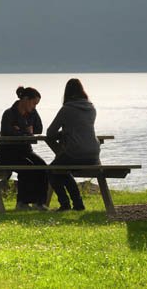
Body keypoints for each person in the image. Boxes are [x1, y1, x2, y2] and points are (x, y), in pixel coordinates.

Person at [46, 78, 100, 211]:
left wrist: (63, 134)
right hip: (94, 154)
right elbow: (81, 129)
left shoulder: (67, 109)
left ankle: (65, 204)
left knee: (51, 170)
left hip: (75, 153)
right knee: (62, 170)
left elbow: (50, 133)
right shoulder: (91, 108)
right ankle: (78, 204)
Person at [0, 86, 49, 211]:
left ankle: (40, 203)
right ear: (25, 99)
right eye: (33, 103)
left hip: (26, 151)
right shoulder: (9, 113)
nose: (34, 107)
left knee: (43, 167)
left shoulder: (33, 113)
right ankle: (22, 203)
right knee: (27, 169)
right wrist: (26, 131)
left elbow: (38, 129)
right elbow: (7, 132)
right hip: (7, 154)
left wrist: (20, 130)